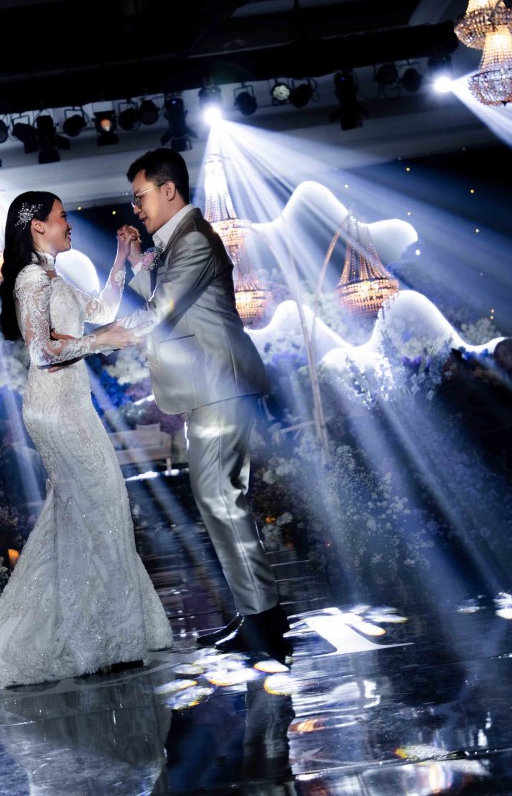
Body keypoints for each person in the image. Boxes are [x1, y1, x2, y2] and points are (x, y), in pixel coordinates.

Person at [0, 191, 172, 690]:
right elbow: (41, 352)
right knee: (98, 506)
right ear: (38, 227)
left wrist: (121, 261)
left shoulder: (51, 276)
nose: (69, 224)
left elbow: (101, 309)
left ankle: (101, 631)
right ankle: (96, 638)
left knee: (90, 513)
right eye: (62, 217)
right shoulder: (30, 279)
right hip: (55, 409)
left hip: (74, 404)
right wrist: (100, 343)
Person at [121, 148, 290, 663]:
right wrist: (137, 265)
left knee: (220, 498)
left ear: (168, 190)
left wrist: (94, 339)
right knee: (219, 499)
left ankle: (265, 622)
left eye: (140, 197)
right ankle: (256, 614)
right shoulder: (179, 242)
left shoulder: (192, 239)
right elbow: (169, 300)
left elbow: (159, 311)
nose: (136, 209)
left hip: (221, 384)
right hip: (210, 387)